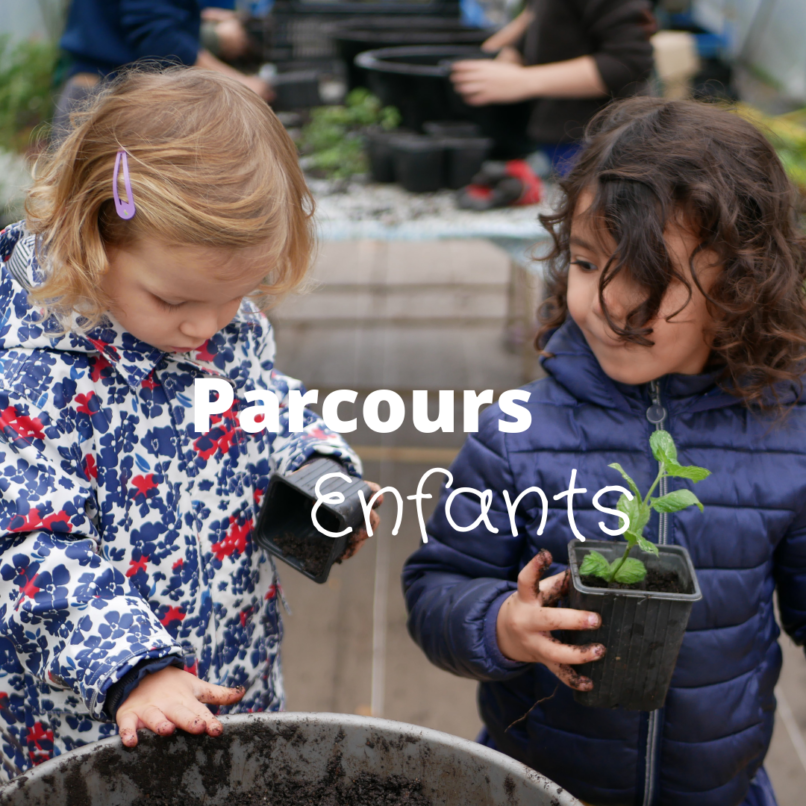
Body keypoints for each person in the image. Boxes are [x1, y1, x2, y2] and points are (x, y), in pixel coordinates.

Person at [402, 96, 806, 806]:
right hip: (536, 785)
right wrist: (501, 624)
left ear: (740, 283)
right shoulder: (515, 434)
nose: (612, 303)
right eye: (588, 263)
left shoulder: (787, 433)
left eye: (651, 275)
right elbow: (438, 585)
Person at [0, 67, 380, 777]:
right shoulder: (28, 372)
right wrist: (134, 669)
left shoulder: (225, 327)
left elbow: (269, 404)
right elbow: (29, 547)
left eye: (237, 295)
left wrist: (319, 467)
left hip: (231, 673)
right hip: (91, 723)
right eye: (174, 300)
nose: (205, 325)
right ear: (92, 234)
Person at [451, 0, 655, 171]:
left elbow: (628, 62)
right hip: (558, 137)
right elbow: (551, 28)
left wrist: (523, 80)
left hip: (604, 143)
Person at [54, 1, 272, 137]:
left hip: (103, 96)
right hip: (105, 103)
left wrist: (199, 16)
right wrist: (238, 85)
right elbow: (157, 36)